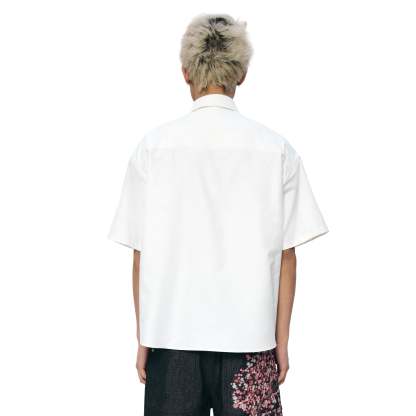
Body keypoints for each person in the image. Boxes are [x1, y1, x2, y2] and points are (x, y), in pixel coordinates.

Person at [108, 13, 328, 416]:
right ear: (241, 74)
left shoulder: (153, 149)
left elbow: (141, 254)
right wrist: (281, 342)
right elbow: (287, 257)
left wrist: (143, 338)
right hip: (251, 341)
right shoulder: (276, 150)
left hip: (171, 338)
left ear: (185, 73)